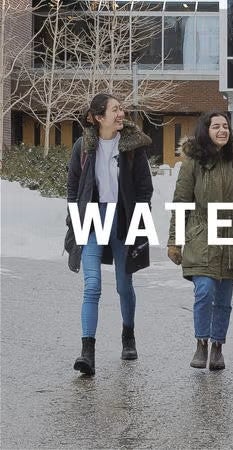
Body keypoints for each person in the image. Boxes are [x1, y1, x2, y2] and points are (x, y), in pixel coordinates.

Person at [66, 93, 154, 376]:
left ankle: (128, 335)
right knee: (92, 285)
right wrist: (75, 221)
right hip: (91, 218)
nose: (121, 114)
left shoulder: (132, 147)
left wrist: (139, 222)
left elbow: (144, 188)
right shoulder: (82, 146)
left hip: (122, 218)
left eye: (121, 109)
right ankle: (87, 351)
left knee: (122, 284)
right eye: (115, 110)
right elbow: (73, 188)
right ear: (98, 117)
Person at [167, 112, 233, 371]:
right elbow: (181, 204)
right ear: (206, 131)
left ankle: (217, 346)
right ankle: (201, 342)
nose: (222, 130)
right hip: (200, 234)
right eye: (216, 126)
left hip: (230, 237)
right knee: (204, 291)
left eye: (225, 126)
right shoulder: (192, 163)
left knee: (224, 300)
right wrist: (175, 240)